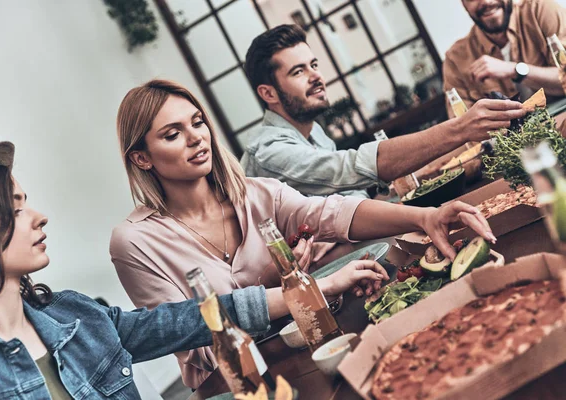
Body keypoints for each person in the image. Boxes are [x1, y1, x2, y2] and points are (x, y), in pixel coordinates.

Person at [110, 79, 496, 388]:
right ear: (141, 158)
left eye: (197, 122)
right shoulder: (134, 243)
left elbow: (333, 212)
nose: (196, 137)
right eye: (172, 134)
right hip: (238, 389)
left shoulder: (258, 193)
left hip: (312, 347)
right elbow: (196, 343)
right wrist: (305, 289)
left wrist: (422, 217)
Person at [0, 142, 382, 399]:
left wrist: (318, 287)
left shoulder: (74, 316)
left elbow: (195, 319)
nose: (39, 217)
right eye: (16, 209)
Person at [240, 24, 526, 199]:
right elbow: (346, 169)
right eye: (298, 71)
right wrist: (462, 128)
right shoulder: (268, 152)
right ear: (268, 93)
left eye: (314, 65)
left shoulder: (313, 131)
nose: (316, 76)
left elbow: (347, 196)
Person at [444, 0, 566, 117]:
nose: (486, 1)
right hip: (517, 138)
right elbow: (462, 125)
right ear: (464, 4)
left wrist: (515, 70)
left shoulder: (541, 9)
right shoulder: (455, 59)